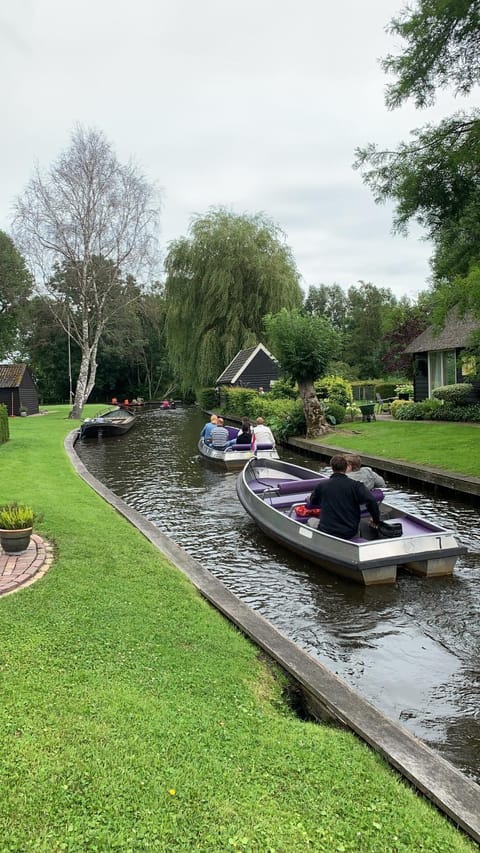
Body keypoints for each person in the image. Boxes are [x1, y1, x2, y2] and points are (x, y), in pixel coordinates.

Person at [307, 455, 380, 540]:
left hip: (327, 530)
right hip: (350, 532)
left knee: (310, 521)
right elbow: (371, 501)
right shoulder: (356, 486)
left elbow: (313, 502)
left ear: (332, 468)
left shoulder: (322, 486)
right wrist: (375, 520)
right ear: (346, 468)